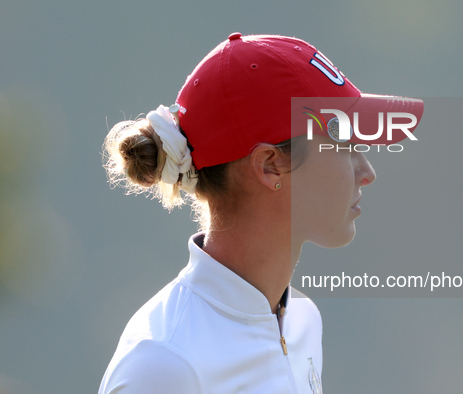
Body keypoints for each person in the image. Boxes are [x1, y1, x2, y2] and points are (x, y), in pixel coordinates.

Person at [98, 33, 423, 394]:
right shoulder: (164, 364)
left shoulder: (302, 320)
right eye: (344, 146)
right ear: (270, 166)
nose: (367, 172)